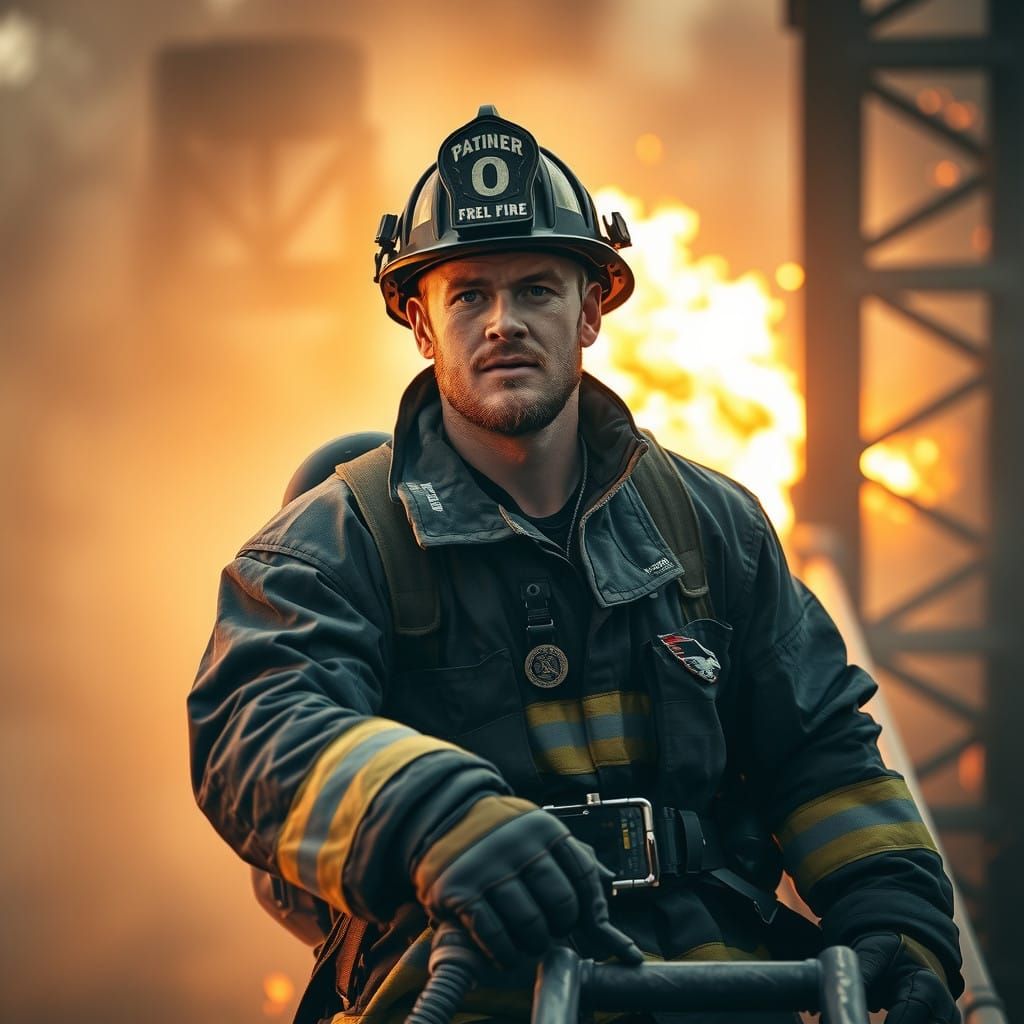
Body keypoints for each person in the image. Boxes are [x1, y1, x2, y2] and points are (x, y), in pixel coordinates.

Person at [188, 106, 963, 1024]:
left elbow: (822, 750)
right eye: (468, 294)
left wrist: (898, 922)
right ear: (420, 325)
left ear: (591, 309)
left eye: (538, 291)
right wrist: (437, 820)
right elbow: (254, 729)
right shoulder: (337, 541)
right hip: (467, 988)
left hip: (719, 993)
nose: (503, 322)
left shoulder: (714, 525)